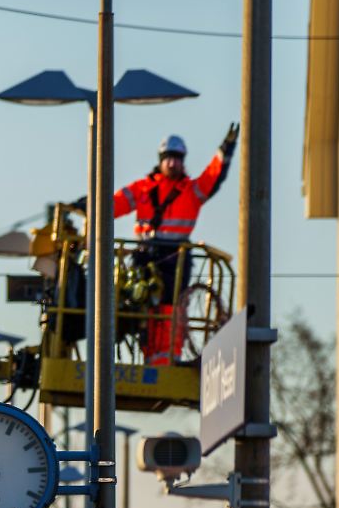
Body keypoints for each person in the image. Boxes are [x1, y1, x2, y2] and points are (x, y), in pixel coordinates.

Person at [75, 123, 239, 365]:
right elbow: (114, 203)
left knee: (170, 309)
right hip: (147, 254)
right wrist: (86, 204)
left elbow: (214, 176)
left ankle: (167, 359)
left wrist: (225, 151)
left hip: (176, 257)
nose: (172, 163)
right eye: (168, 158)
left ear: (183, 161)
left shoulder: (191, 191)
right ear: (161, 160)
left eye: (177, 159)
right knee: (142, 306)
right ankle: (152, 356)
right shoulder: (144, 188)